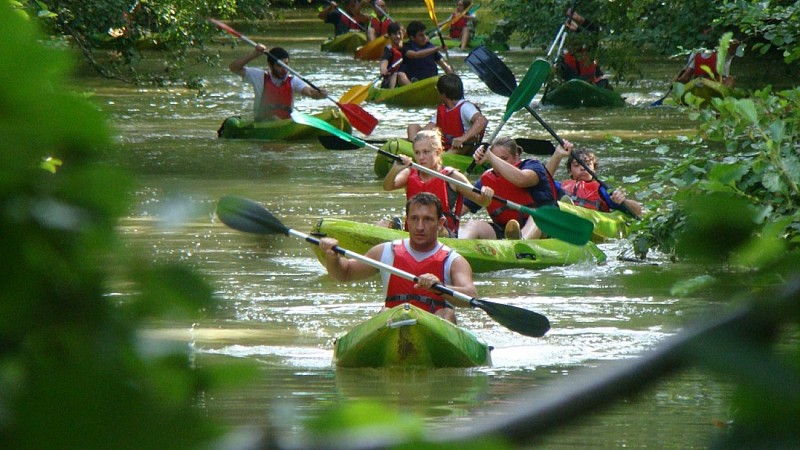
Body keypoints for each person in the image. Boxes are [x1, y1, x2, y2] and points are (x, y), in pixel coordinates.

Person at [318, 192, 480, 324]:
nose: (420, 227)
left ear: (440, 223)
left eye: (428, 220)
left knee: (446, 313)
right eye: (414, 219)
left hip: (436, 324)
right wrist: (333, 258)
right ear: (406, 221)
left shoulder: (453, 260)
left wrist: (439, 287)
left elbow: (471, 296)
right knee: (385, 312)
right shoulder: (385, 251)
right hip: (394, 322)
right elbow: (345, 273)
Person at [380, 129, 493, 237]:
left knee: (433, 228)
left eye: (426, 152)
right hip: (414, 231)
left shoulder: (452, 177)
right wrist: (395, 169)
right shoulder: (409, 172)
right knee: (382, 223)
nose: (421, 157)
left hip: (443, 233)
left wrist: (486, 195)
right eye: (417, 153)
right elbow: (387, 186)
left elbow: (481, 201)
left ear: (438, 152)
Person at [459, 137, 559, 240]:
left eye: (503, 159)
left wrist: (490, 155)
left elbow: (521, 180)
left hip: (541, 229)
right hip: (506, 231)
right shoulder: (486, 180)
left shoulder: (533, 166)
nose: (498, 163)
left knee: (538, 216)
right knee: (474, 225)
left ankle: (520, 244)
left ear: (516, 156)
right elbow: (461, 209)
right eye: (495, 159)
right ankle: (458, 247)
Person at [545, 140, 643, 217]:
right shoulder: (560, 187)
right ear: (570, 171)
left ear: (594, 169)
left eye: (587, 164)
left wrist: (622, 201)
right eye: (576, 165)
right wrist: (557, 155)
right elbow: (543, 180)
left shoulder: (602, 190)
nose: (583, 168)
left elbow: (638, 210)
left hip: (590, 222)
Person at [228, 46, 328, 122]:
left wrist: (320, 94)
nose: (284, 70)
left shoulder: (293, 80)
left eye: (286, 65)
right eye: (280, 66)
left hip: (285, 122)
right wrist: (254, 54)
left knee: (277, 119)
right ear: (270, 65)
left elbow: (310, 92)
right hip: (262, 122)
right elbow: (234, 68)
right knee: (273, 118)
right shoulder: (259, 76)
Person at [406, 73, 487, 155]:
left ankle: (442, 156)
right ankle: (415, 151)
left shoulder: (465, 107)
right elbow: (428, 129)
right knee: (413, 127)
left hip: (463, 149)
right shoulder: (442, 109)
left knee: (471, 138)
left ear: (443, 94)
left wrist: (463, 138)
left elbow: (482, 120)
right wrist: (418, 140)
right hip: (446, 147)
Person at [556, 8, 611, 90]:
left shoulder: (589, 52)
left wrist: (579, 19)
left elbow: (595, 31)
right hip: (572, 88)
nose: (574, 44)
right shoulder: (562, 60)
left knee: (604, 83)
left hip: (591, 86)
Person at [675, 39, 740, 87]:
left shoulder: (724, 53)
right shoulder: (696, 53)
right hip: (702, 86)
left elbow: (735, 45)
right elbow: (686, 77)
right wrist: (677, 80)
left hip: (713, 86)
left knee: (731, 79)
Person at [379, 22, 411, 89]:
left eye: (399, 33)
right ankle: (413, 89)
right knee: (398, 74)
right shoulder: (389, 50)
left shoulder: (408, 47)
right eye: (394, 34)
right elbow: (384, 62)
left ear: (403, 33)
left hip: (407, 78)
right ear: (389, 36)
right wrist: (383, 69)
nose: (398, 36)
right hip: (391, 80)